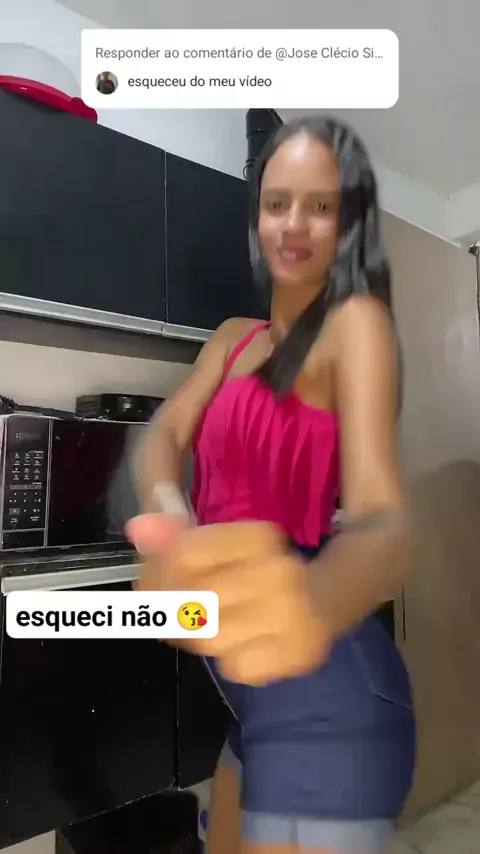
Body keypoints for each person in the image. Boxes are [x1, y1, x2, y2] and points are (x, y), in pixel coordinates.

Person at [127, 116, 416, 854]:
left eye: (320, 206)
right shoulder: (233, 338)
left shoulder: (354, 328)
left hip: (331, 708)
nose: (293, 224)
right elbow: (164, 435)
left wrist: (311, 605)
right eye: (276, 202)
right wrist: (168, 515)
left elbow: (384, 525)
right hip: (253, 710)